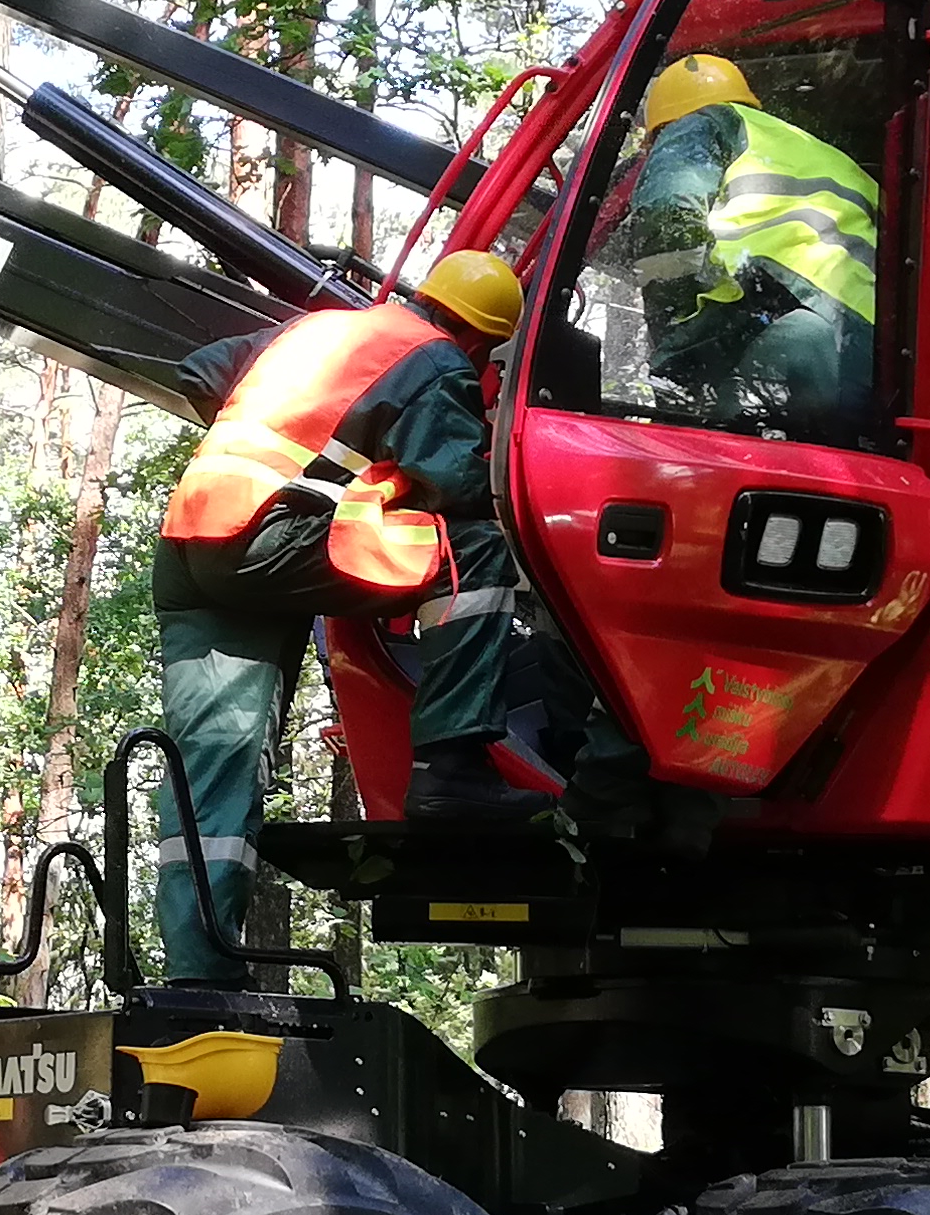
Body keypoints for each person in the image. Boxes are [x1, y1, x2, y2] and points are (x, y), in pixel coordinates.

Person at [149, 244, 548, 982]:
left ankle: (198, 973)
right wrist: (355, 484)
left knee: (214, 758)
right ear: (475, 337)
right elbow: (459, 479)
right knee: (476, 553)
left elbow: (199, 371)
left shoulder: (317, 329)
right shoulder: (435, 360)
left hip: (192, 541)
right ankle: (450, 770)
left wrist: (310, 461)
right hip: (269, 543)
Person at [619, 50, 880, 439]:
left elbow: (666, 216)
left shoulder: (704, 123)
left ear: (663, 127)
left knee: (708, 452)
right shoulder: (831, 158)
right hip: (875, 358)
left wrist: (674, 347)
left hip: (801, 337)